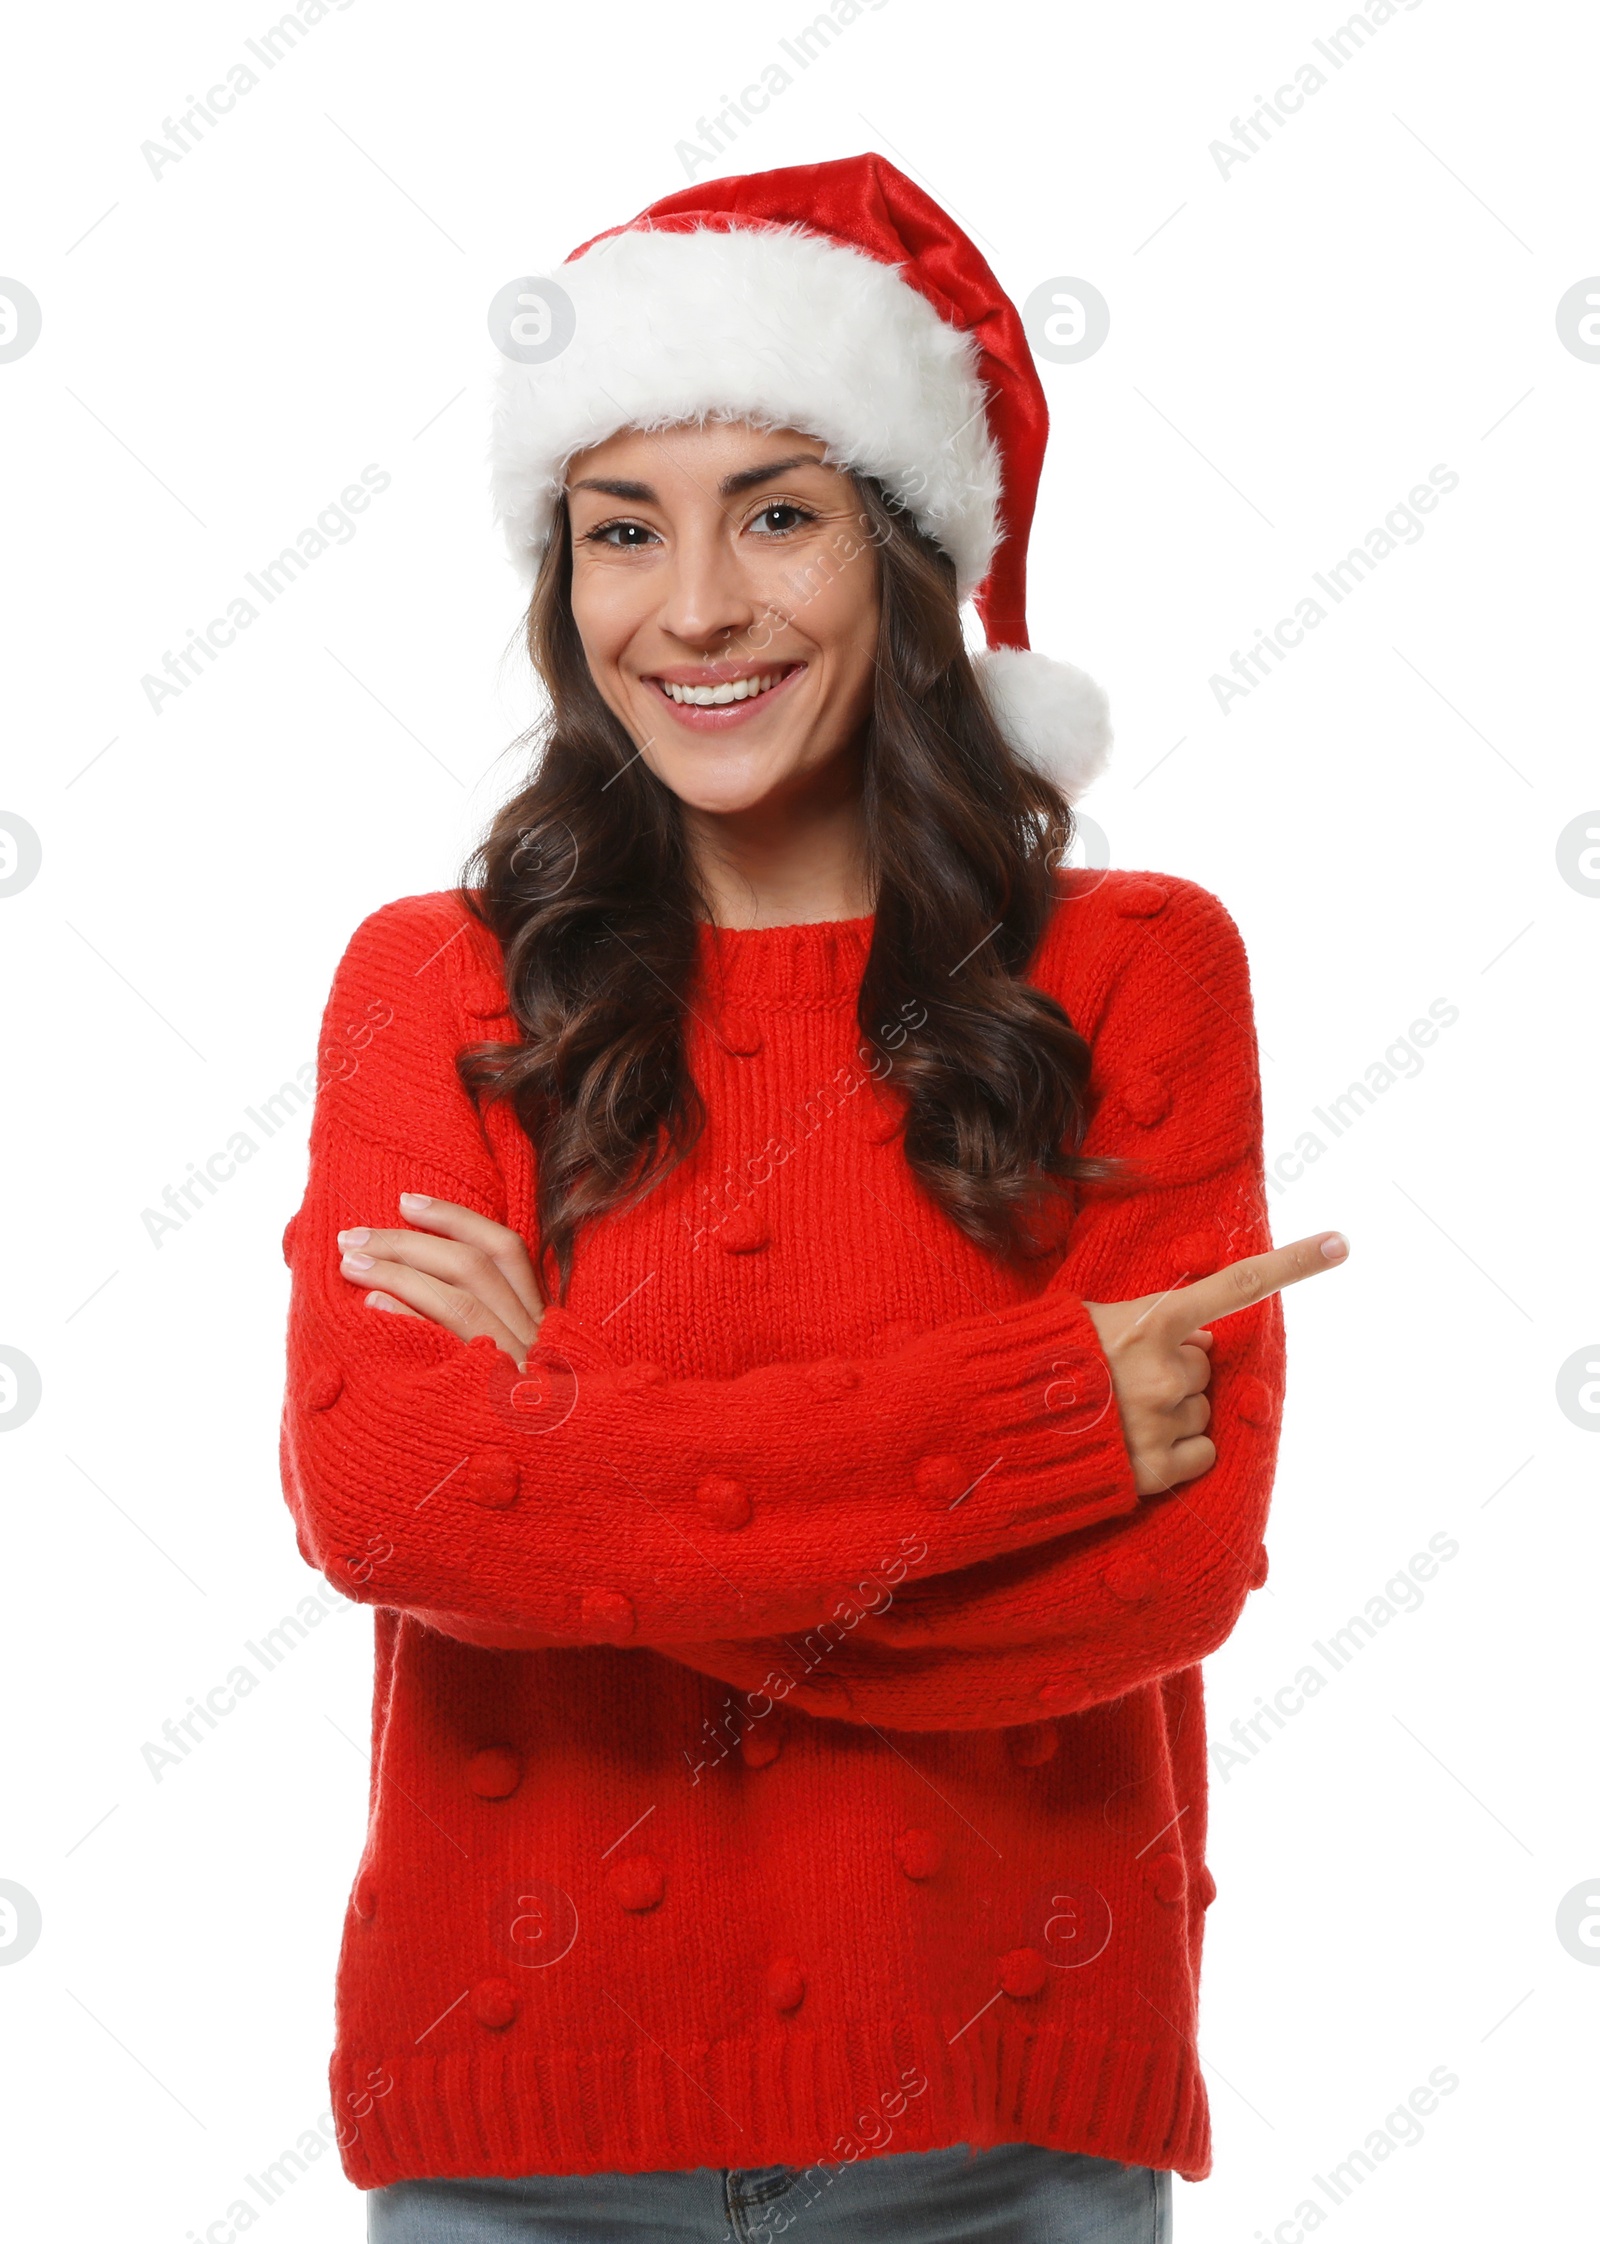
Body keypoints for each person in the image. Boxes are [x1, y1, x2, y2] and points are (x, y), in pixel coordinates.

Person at [278, 153, 1348, 2243]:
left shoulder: (1132, 967)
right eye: (618, 531)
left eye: (775, 512)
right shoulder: (434, 979)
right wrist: (1030, 1423)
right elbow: (389, 1500)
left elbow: (1171, 1571)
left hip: (1001, 2116)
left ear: (908, 558)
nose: (688, 609)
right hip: (517, 2132)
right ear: (558, 580)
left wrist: (576, 1465)